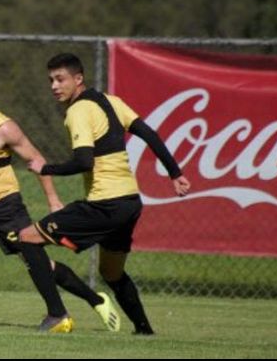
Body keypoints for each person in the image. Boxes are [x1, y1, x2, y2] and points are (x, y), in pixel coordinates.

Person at [0, 66, 121, 333]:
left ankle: (91, 302)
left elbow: (36, 160)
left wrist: (53, 200)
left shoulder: (4, 128)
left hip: (6, 206)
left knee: (40, 264)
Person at [20, 52, 192, 335]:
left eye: (60, 79)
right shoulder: (111, 101)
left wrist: (45, 168)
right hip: (130, 203)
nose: (54, 86)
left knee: (27, 238)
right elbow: (149, 133)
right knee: (111, 272)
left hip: (105, 204)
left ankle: (57, 315)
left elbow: (83, 161)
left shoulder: (78, 111)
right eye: (51, 80)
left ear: (78, 79)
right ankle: (144, 331)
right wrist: (175, 173)